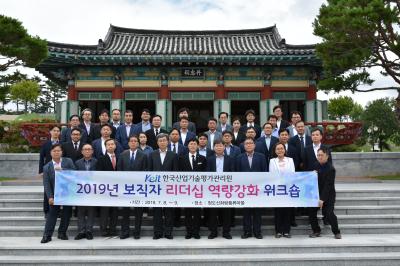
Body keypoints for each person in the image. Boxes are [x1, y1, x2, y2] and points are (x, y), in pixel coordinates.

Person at [41, 144, 75, 243]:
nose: (56, 152)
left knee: (66, 213)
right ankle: (47, 235)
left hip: (67, 192)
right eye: (54, 151)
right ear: (51, 153)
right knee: (52, 214)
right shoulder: (47, 167)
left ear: (61, 152)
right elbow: (46, 184)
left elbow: (75, 173)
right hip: (55, 194)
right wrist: (50, 197)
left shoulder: (68, 161)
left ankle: (62, 233)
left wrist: (63, 171)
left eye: (58, 151)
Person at [148, 133, 179, 239]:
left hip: (169, 188)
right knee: (157, 211)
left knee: (169, 211)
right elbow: (149, 171)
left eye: (164, 140)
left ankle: (168, 232)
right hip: (156, 188)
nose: (162, 142)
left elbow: (176, 172)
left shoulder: (173, 155)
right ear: (157, 143)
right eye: (160, 141)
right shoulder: (152, 154)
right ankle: (157, 232)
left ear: (168, 142)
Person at [117, 135, 148, 239]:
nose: (133, 143)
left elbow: (145, 171)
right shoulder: (122, 155)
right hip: (126, 188)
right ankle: (125, 232)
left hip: (139, 187)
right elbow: (119, 171)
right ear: (129, 143)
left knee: (138, 211)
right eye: (132, 141)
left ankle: (136, 232)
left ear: (138, 143)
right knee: (125, 211)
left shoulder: (143, 155)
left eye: (135, 141)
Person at [236, 137, 267, 239]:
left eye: (250, 143)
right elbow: (237, 174)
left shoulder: (261, 157)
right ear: (244, 146)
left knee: (257, 212)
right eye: (246, 144)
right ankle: (247, 232)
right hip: (244, 190)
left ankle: (257, 232)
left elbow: (265, 172)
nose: (248, 145)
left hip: (258, 189)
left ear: (254, 145)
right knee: (246, 212)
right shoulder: (239, 157)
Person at [309, 147, 341, 239]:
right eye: (318, 155)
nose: (319, 157)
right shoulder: (315, 165)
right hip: (316, 194)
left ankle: (336, 232)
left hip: (328, 195)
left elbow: (328, 185)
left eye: (321, 155)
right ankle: (316, 231)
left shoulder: (331, 169)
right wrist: (312, 174)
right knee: (311, 212)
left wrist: (322, 199)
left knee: (329, 213)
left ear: (327, 156)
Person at [178, 138, 206, 239]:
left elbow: (205, 174)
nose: (193, 146)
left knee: (197, 212)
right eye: (191, 144)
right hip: (186, 190)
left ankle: (196, 232)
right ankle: (189, 231)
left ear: (198, 146)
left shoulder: (202, 158)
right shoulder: (182, 158)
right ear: (188, 146)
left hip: (198, 190)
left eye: (195, 144)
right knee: (188, 212)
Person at [207, 140, 234, 239]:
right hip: (213, 189)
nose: (218, 147)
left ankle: (226, 232)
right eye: (217, 146)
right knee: (213, 212)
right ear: (214, 148)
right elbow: (207, 173)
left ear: (224, 147)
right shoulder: (209, 159)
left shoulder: (230, 159)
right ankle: (213, 232)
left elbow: (232, 173)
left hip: (226, 189)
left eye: (220, 146)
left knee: (226, 211)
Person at [269, 142, 295, 238]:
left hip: (288, 188)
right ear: (275, 151)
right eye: (278, 149)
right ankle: (278, 231)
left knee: (287, 211)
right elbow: (271, 175)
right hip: (277, 189)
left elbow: (293, 173)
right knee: (278, 211)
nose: (280, 150)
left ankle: (287, 231)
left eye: (281, 148)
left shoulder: (290, 160)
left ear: (285, 150)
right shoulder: (272, 161)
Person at [95, 138, 119, 237]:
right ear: (105, 146)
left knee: (114, 211)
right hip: (105, 189)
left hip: (118, 189)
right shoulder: (101, 159)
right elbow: (98, 174)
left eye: (112, 144)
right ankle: (103, 230)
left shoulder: (120, 157)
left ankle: (113, 229)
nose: (110, 146)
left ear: (115, 146)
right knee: (104, 211)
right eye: (108, 144)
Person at [74, 143, 97, 240]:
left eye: (89, 149)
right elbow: (73, 176)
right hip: (81, 191)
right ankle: (81, 231)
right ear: (82, 151)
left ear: (92, 151)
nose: (87, 151)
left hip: (93, 191)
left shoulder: (97, 162)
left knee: (91, 211)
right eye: (85, 149)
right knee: (81, 212)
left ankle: (89, 231)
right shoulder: (77, 163)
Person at [39, 125, 61, 217]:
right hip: (48, 170)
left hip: (60, 170)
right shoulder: (46, 144)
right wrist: (41, 171)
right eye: (54, 130)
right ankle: (47, 211)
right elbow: (41, 158)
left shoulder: (62, 143)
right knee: (47, 190)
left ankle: (58, 211)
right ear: (50, 132)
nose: (56, 132)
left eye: (58, 131)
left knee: (59, 189)